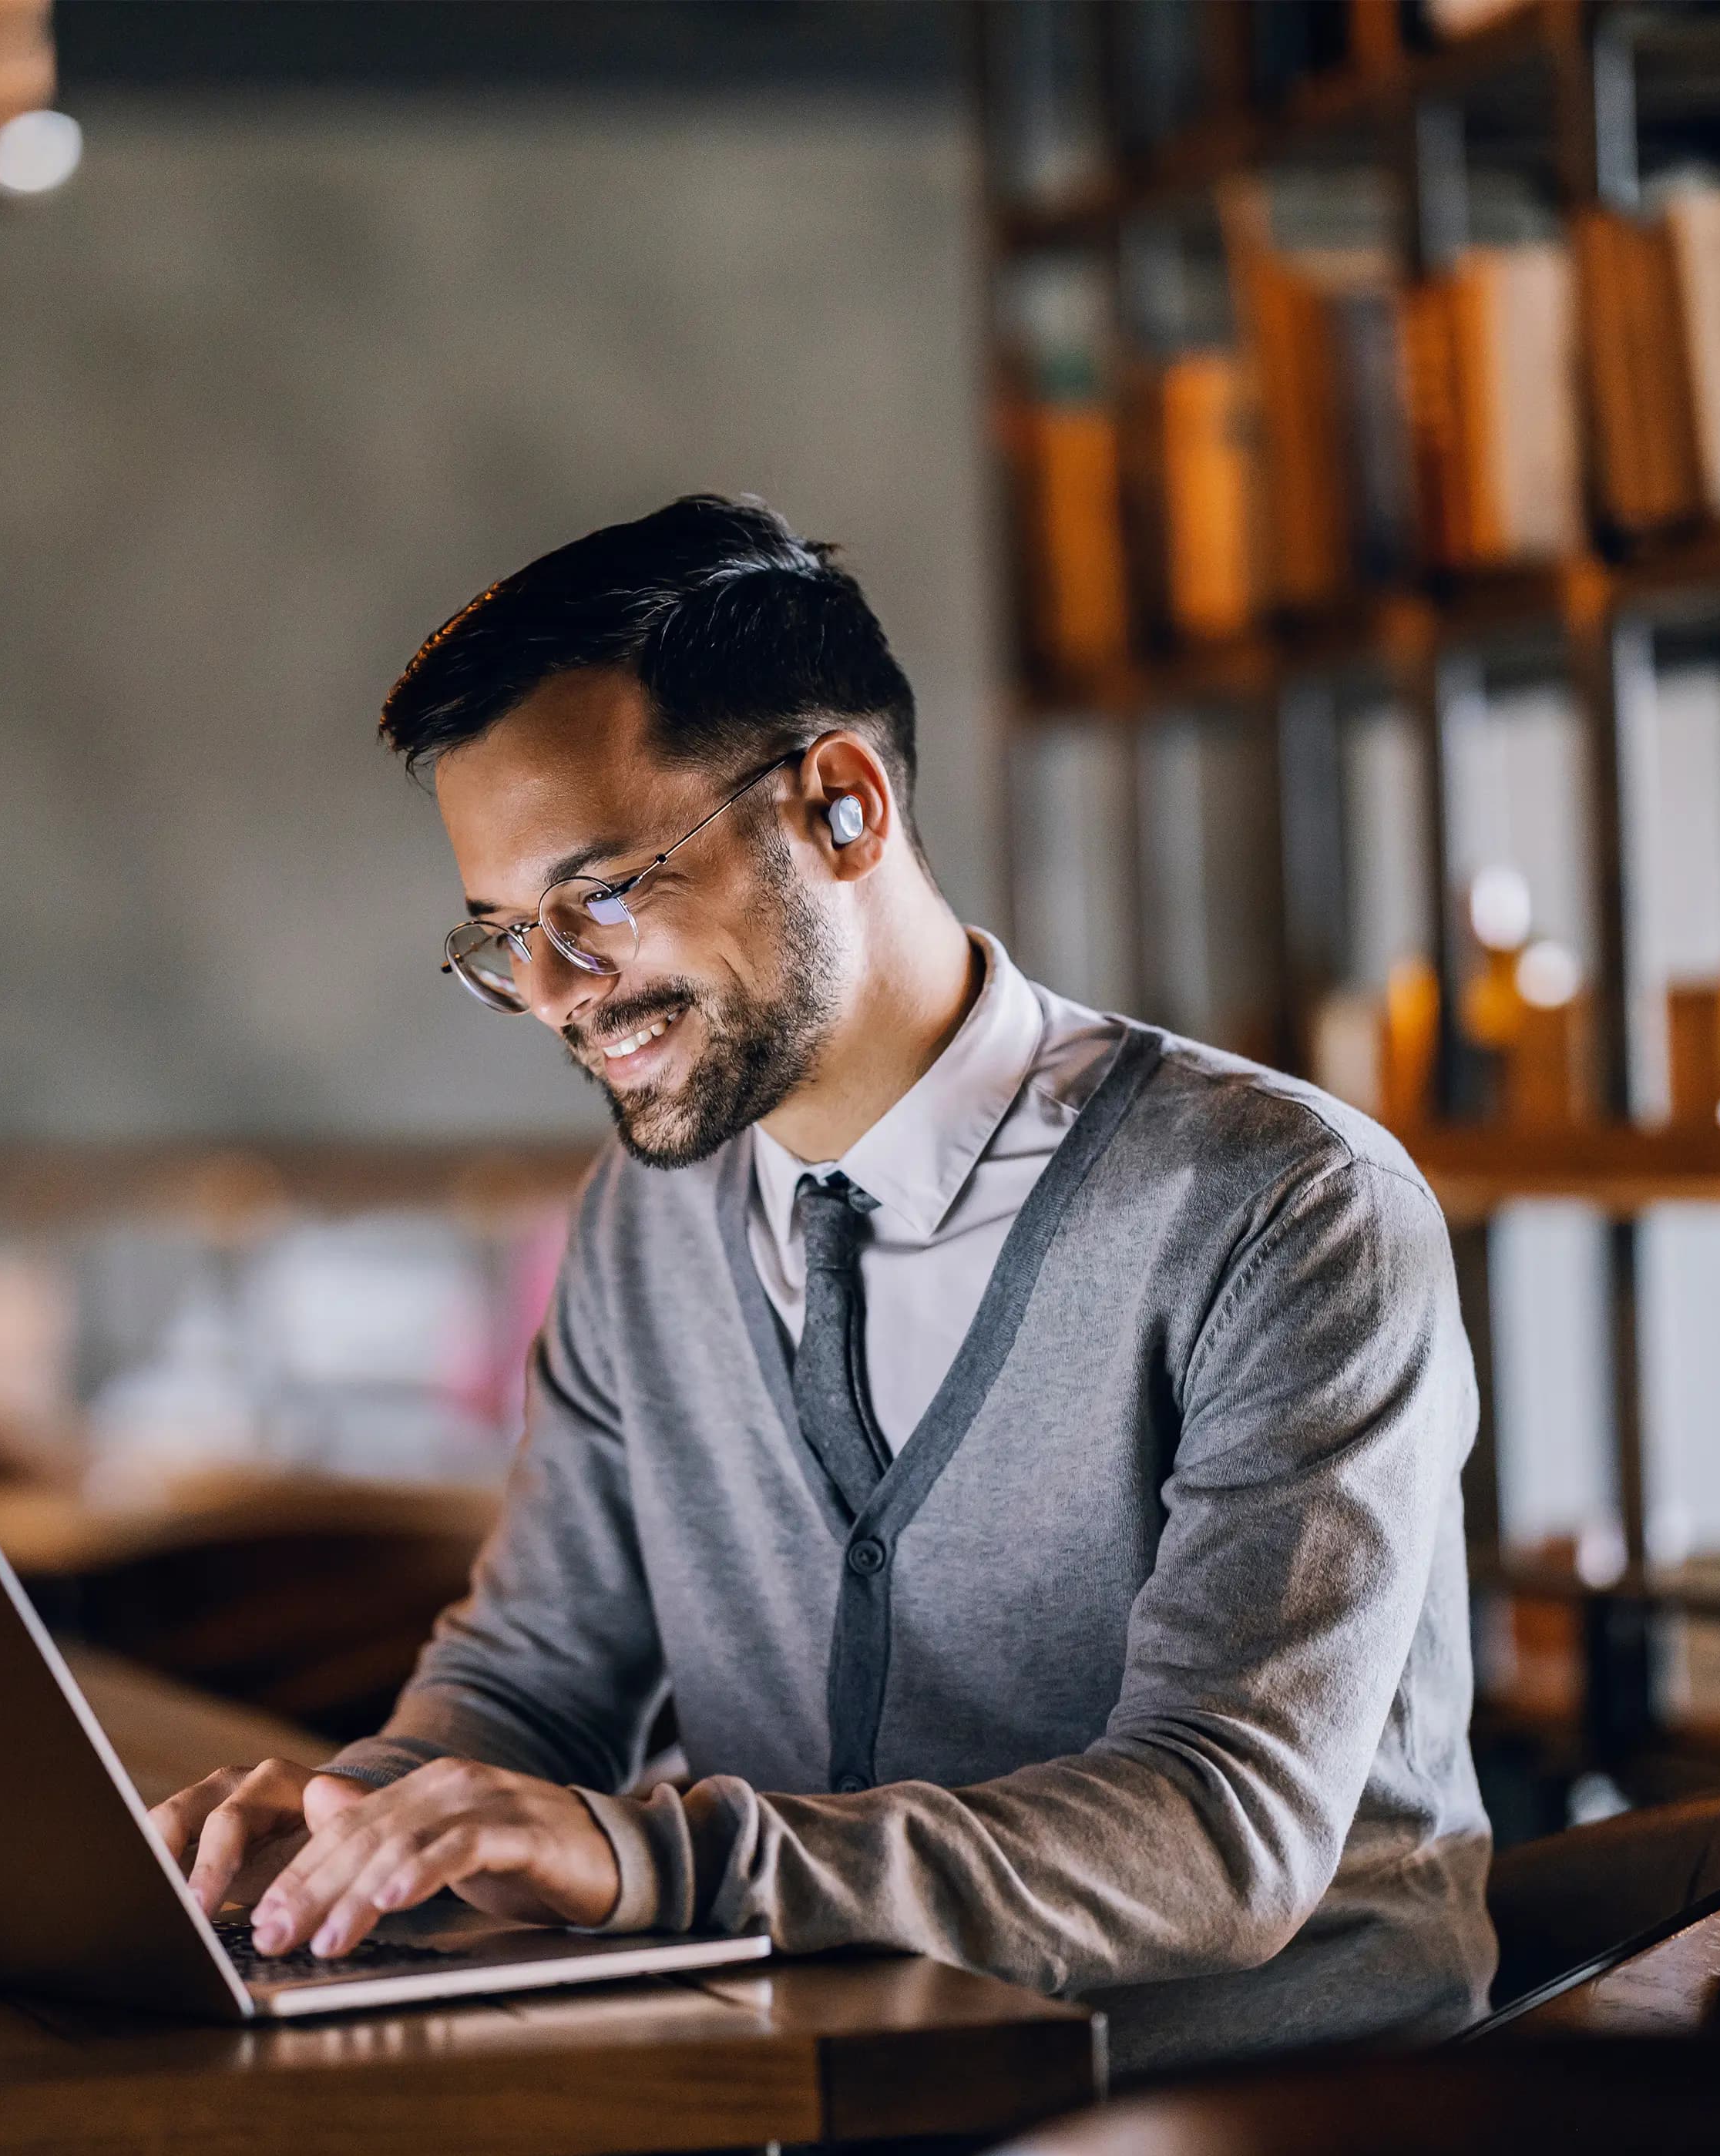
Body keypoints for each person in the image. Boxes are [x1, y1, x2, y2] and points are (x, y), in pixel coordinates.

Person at [152, 495, 1494, 2075]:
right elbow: (534, 1683)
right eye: (503, 936)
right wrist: (339, 1836)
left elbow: (1222, 1828)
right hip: (811, 2094)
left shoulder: (1283, 1205)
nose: (554, 999)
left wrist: (656, 1864)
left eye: (593, 898)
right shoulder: (645, 1220)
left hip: (1248, 2122)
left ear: (840, 808)